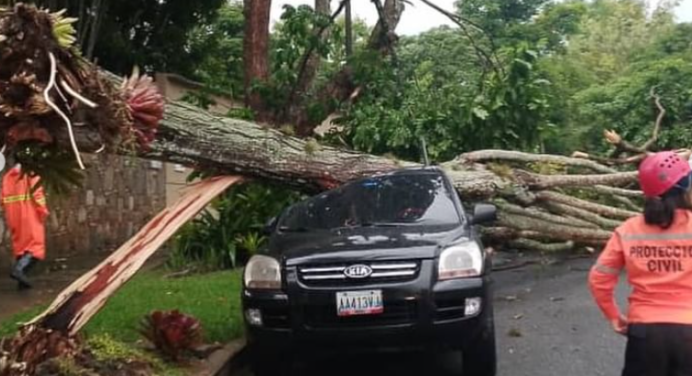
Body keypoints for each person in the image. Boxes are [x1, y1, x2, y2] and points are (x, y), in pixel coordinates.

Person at [589, 151, 692, 375]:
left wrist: (614, 316)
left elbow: (599, 278)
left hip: (645, 333)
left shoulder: (629, 230)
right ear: (685, 188)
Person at [1, 164, 49, 289]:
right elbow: (37, 192)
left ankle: (22, 282)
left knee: (21, 247)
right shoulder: (31, 173)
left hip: (13, 215)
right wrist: (43, 210)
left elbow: (2, 196)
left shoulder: (8, 176)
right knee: (35, 246)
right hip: (30, 213)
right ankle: (18, 270)